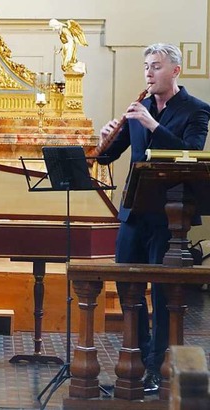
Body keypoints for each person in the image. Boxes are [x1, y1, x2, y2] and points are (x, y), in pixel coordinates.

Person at [96, 43, 210, 394]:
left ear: (175, 71)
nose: (148, 72)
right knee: (128, 287)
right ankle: (139, 358)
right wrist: (104, 139)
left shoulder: (197, 110)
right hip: (133, 213)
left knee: (162, 293)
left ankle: (160, 365)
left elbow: (190, 153)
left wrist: (150, 124)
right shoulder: (140, 107)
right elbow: (106, 158)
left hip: (170, 217)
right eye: (146, 66)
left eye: (156, 66)